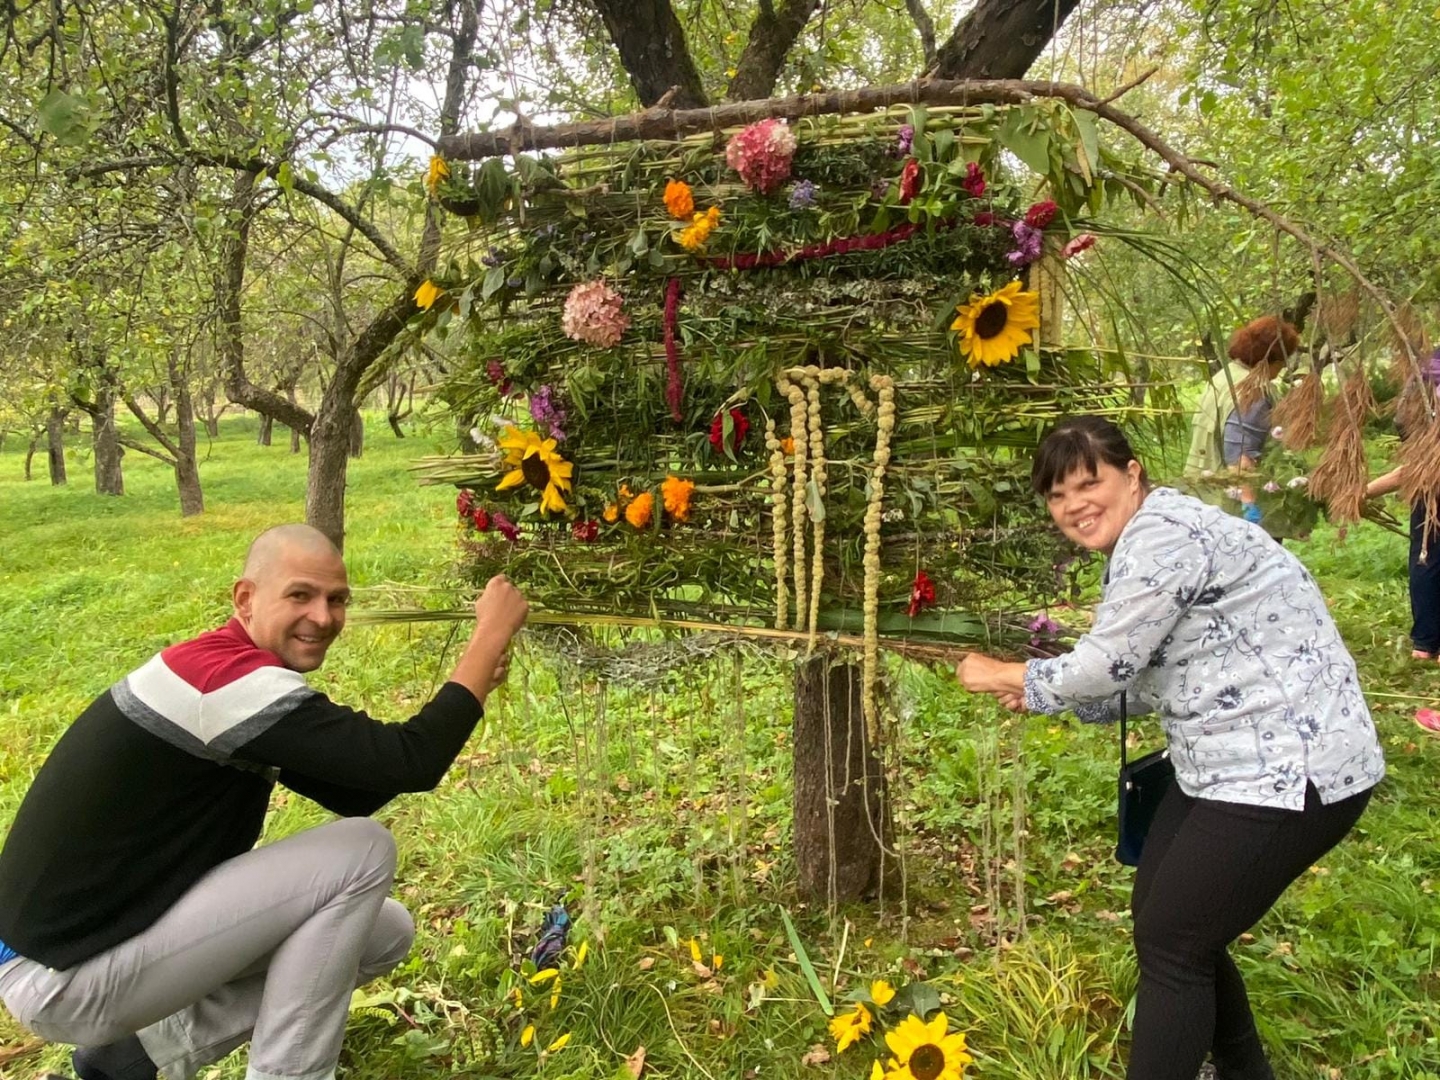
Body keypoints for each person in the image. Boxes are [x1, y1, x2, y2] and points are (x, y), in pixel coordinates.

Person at [0, 524, 529, 1080]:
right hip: (62, 975)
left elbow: (362, 790)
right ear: (245, 599)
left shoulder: (221, 670)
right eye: (300, 595)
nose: (323, 617)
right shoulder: (224, 685)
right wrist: (488, 637)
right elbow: (407, 763)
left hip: (84, 955)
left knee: (381, 933)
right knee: (363, 851)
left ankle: (130, 1058)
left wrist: (473, 687)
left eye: (337, 600)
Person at [958, 416, 1383, 1080]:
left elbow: (1103, 665)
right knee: (1169, 924)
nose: (1074, 506)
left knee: (1175, 944)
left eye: (1088, 483)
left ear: (1132, 474)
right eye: (1058, 495)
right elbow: (1142, 677)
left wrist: (1007, 673)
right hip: (1228, 764)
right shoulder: (1152, 535)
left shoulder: (1164, 536)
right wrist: (1043, 692)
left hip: (1291, 767)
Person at [1185, 315, 1300, 477]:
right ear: (1273, 360)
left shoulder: (1224, 377)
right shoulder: (1256, 392)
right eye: (1283, 361)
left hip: (1198, 485)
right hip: (1226, 490)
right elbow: (1240, 462)